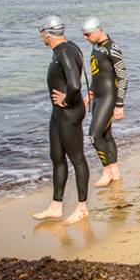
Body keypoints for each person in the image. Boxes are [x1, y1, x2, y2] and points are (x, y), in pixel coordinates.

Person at [33, 16, 90, 225]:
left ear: (47, 34)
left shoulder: (65, 51)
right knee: (57, 157)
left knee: (77, 158)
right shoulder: (67, 48)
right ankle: (56, 206)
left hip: (69, 112)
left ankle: (82, 207)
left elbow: (75, 84)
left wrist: (67, 99)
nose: (41, 37)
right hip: (59, 113)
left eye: (41, 33)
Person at [82, 17, 128, 185]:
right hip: (98, 96)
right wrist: (90, 92)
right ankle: (115, 172)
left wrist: (119, 104)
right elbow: (97, 73)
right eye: (84, 35)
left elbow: (122, 77)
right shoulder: (96, 46)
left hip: (109, 97)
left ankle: (106, 171)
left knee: (94, 135)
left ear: (98, 30)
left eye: (88, 34)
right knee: (106, 135)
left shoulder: (112, 48)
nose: (85, 38)